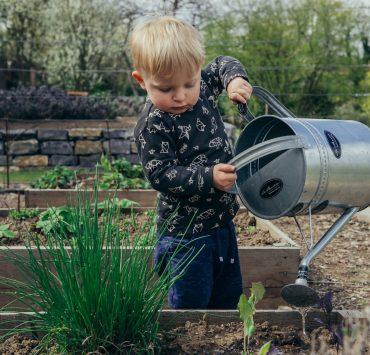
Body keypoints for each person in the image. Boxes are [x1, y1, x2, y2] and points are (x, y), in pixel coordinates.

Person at [130, 15, 253, 309]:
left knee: (228, 295)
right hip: (185, 235)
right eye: (165, 88)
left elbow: (224, 62)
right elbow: (161, 174)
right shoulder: (153, 124)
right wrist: (208, 177)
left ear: (198, 70)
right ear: (141, 81)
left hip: (222, 223)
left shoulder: (205, 89)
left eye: (189, 83)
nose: (181, 96)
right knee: (191, 303)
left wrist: (235, 80)